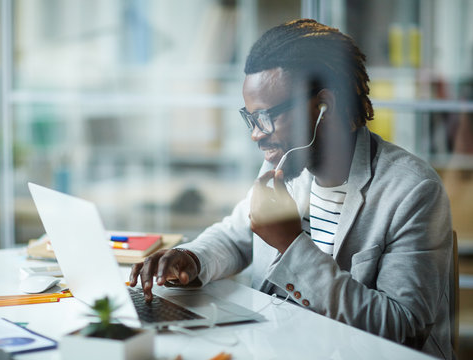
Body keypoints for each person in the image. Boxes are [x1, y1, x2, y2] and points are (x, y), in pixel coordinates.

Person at [130, 19, 453, 359]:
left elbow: (401, 325)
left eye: (266, 117)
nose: (256, 134)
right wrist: (190, 258)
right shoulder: (284, 165)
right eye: (251, 118)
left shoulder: (412, 190)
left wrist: (291, 244)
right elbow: (236, 235)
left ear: (323, 107)